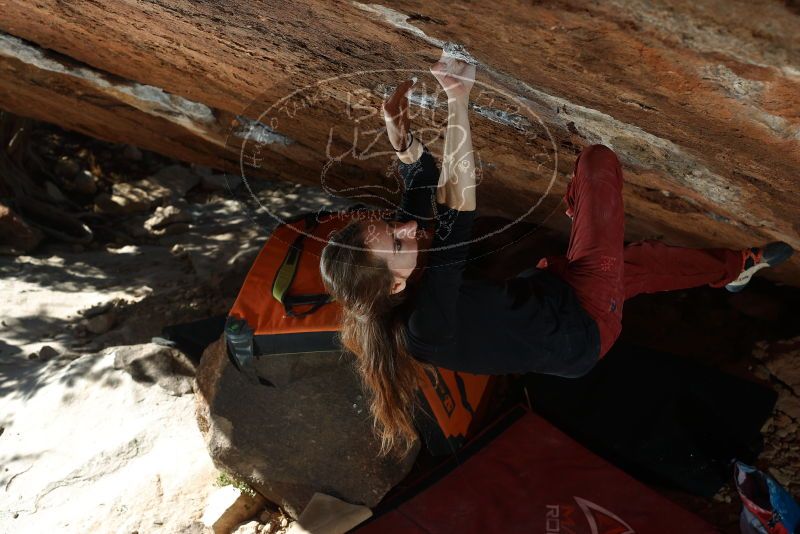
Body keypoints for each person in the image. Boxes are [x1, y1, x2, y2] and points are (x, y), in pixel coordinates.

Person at [319, 54, 794, 456]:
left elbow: (422, 180)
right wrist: (457, 99)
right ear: (396, 285)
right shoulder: (427, 326)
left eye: (387, 226)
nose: (405, 229)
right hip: (583, 328)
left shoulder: (397, 269)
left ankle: (736, 269)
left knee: (640, 267)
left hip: (548, 296)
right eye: (397, 241)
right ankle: (583, 210)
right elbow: (458, 204)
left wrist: (402, 140)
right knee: (596, 165)